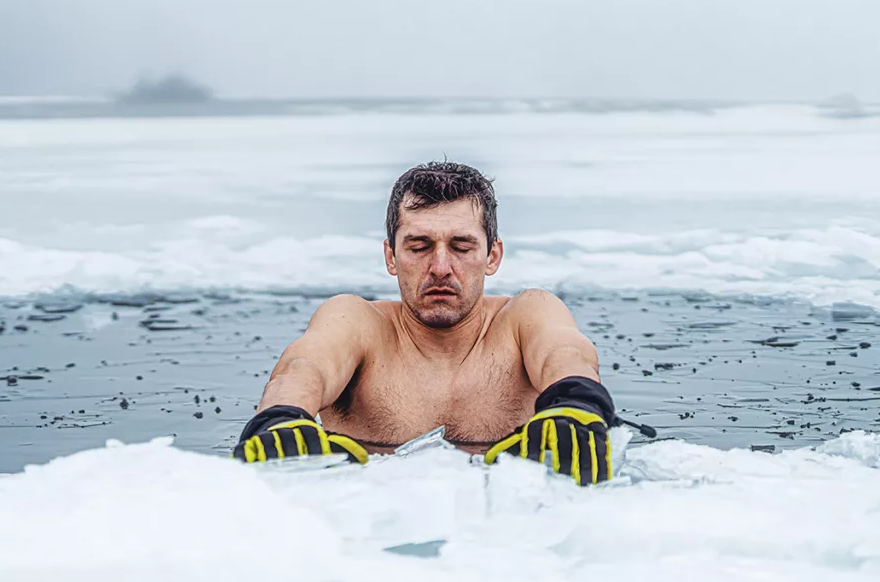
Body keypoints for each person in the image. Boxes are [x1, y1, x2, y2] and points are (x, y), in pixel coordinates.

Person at [232, 161, 653, 485]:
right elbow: (305, 366)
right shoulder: (357, 321)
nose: (440, 267)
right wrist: (280, 418)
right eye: (419, 246)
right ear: (391, 257)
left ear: (492, 256)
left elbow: (565, 352)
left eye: (461, 246)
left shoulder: (526, 316)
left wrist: (577, 404)